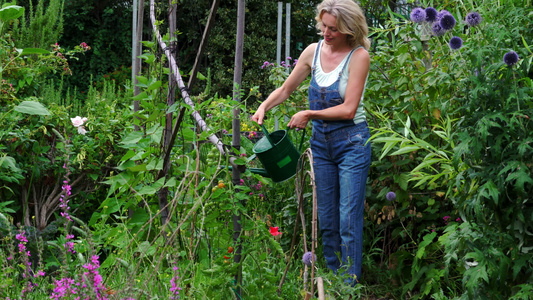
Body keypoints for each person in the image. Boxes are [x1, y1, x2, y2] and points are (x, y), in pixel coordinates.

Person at [252, 0, 371, 285]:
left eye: (333, 29)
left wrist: (309, 113)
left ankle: (349, 285)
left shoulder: (359, 56)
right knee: (327, 216)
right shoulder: (312, 52)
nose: (326, 33)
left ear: (348, 29)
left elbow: (349, 109)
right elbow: (286, 88)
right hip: (321, 144)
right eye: (324, 26)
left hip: (352, 142)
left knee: (348, 217)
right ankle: (331, 279)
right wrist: (264, 107)